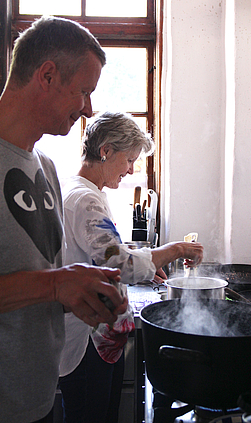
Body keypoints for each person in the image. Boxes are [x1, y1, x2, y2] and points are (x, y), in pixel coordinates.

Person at [0, 17, 128, 423]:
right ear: (47, 75)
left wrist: (79, 293)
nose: (87, 107)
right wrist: (54, 284)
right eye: (83, 91)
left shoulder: (45, 167)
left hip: (42, 399)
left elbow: (37, 283)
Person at [58, 111, 204, 423]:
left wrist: (149, 265)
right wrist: (175, 249)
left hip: (94, 335)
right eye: (129, 159)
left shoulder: (85, 190)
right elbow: (119, 263)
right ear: (106, 150)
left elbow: (105, 251)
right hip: (86, 341)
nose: (130, 169)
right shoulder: (84, 198)